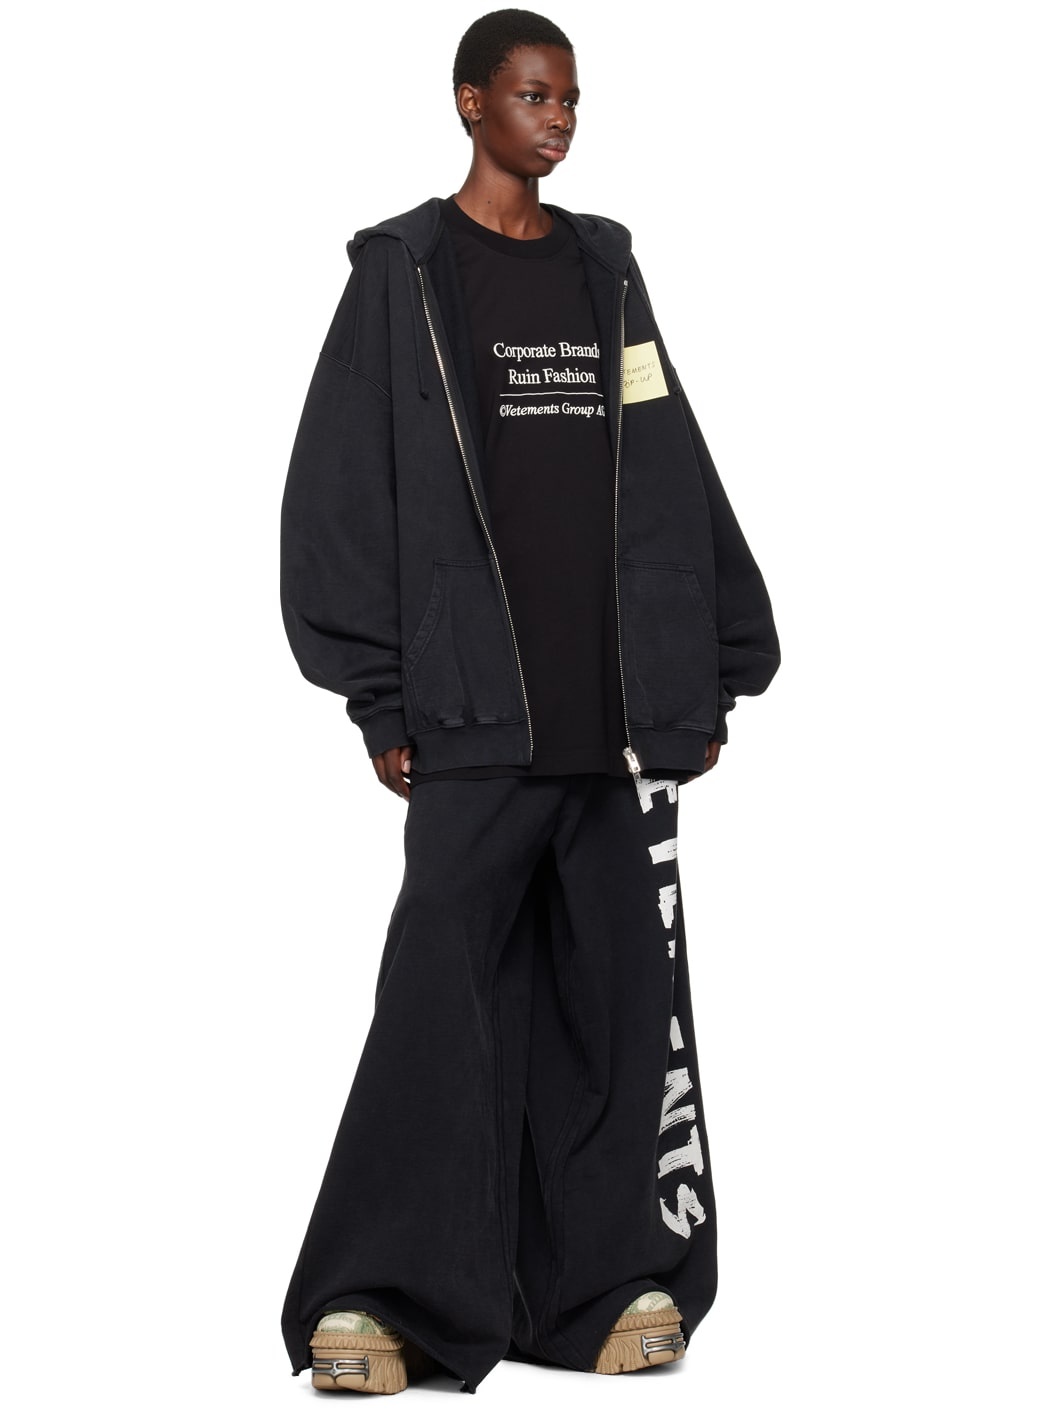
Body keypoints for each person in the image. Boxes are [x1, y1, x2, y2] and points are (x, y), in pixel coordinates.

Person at [278, 8, 780, 1395]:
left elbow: (671, 459)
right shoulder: (403, 272)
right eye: (531, 95)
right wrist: (381, 694)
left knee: (616, 1010)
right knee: (439, 1007)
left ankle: (607, 1289)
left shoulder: (605, 269)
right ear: (469, 104)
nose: (556, 119)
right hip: (470, 718)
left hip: (615, 720)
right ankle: (379, 1301)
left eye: (569, 98)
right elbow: (339, 490)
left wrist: (711, 659)